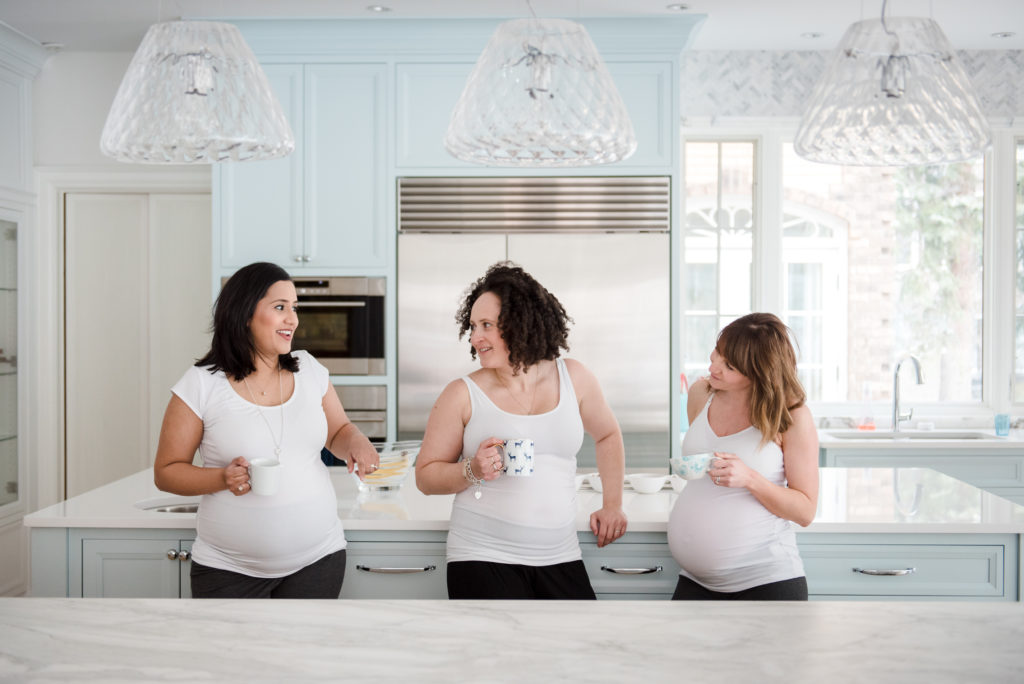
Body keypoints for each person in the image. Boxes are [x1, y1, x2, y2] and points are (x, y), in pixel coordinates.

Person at [153, 262, 379, 599]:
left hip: (319, 560)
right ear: (244, 314)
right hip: (227, 570)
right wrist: (221, 479)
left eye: (294, 308)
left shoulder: (309, 370)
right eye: (279, 307)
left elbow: (338, 432)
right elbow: (167, 472)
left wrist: (357, 442)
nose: (293, 319)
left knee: (302, 654)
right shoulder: (201, 384)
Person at [415, 261, 628, 600]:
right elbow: (425, 476)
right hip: (482, 555)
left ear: (520, 324)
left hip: (560, 555)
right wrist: (473, 469)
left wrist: (612, 504)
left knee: (576, 650)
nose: (475, 337)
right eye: (472, 326)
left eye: (487, 325)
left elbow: (608, 436)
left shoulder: (574, 377)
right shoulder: (461, 394)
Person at [668, 313, 819, 601]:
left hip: (765, 582)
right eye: (717, 354)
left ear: (759, 372)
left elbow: (805, 511)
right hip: (695, 582)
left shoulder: (792, 417)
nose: (714, 366)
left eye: (729, 365)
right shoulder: (701, 394)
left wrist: (750, 479)